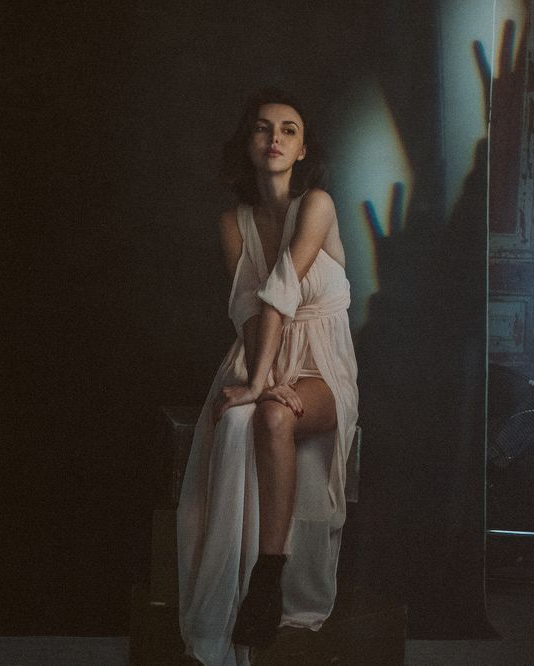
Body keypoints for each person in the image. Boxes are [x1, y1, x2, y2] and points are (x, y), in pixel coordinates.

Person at [176, 88, 359, 665]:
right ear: (248, 143)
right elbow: (247, 309)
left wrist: (262, 386)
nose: (274, 138)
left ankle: (269, 574)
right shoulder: (233, 223)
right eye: (262, 128)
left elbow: (281, 289)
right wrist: (262, 373)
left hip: (323, 362)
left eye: (288, 130)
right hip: (261, 350)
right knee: (240, 423)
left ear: (303, 149)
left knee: (275, 413)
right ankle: (234, 581)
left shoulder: (318, 205)